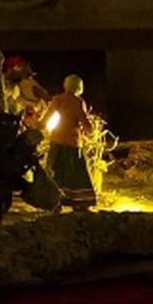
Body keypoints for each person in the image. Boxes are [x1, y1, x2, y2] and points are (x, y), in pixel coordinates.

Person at [45, 75, 96, 210]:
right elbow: (85, 124)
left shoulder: (57, 99)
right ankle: (79, 203)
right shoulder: (78, 102)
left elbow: (45, 121)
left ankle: (54, 201)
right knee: (76, 174)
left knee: (56, 172)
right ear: (79, 87)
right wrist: (90, 130)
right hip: (72, 143)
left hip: (56, 141)